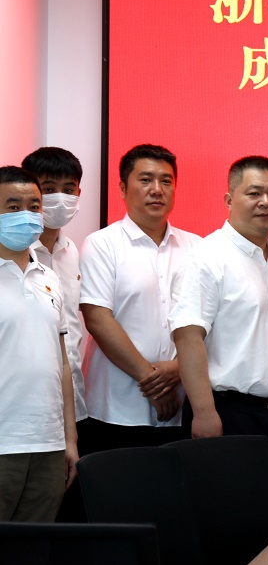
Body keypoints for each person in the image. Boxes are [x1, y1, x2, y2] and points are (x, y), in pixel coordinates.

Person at [170, 156, 268, 490]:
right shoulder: (207, 257)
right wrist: (204, 413)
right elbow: (188, 338)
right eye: (254, 193)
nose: (266, 202)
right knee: (226, 511)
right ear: (229, 200)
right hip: (226, 412)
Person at [79, 144, 200, 451]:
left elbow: (210, 320)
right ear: (123, 188)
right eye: (145, 179)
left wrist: (179, 368)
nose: (157, 189)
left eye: (166, 181)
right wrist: (152, 382)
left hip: (183, 403)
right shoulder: (101, 244)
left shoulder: (197, 247)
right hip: (115, 407)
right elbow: (97, 319)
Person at [0, 166, 78, 521]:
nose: (27, 215)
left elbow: (62, 363)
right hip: (4, 442)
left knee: (35, 549)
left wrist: (69, 439)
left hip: (49, 444)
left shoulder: (48, 277)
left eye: (34, 206)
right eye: (13, 207)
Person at [21, 147, 87, 429]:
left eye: (68, 190)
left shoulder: (71, 250)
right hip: (26, 407)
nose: (60, 199)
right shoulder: (15, 254)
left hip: (74, 403)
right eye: (49, 189)